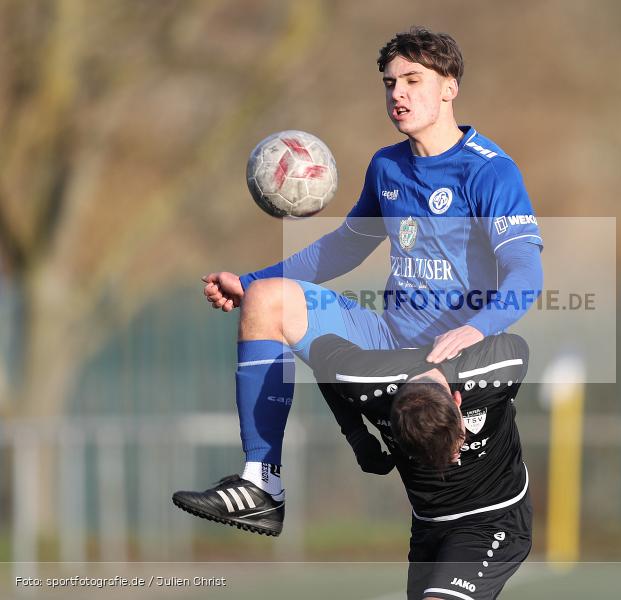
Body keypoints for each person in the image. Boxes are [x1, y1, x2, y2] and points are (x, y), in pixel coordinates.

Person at [172, 27, 543, 535]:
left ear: (450, 86)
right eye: (390, 83)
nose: (399, 94)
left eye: (414, 80)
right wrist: (251, 280)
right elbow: (345, 244)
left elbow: (527, 271)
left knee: (459, 512)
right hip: (385, 340)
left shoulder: (491, 173)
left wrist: (475, 331)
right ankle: (262, 485)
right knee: (266, 301)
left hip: (447, 360)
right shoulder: (387, 166)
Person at [318, 332, 532, 600]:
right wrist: (357, 436)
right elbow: (320, 352)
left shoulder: (496, 370)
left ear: (457, 400)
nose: (455, 457)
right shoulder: (364, 384)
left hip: (493, 518)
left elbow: (518, 341)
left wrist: (473, 333)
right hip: (427, 526)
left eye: (458, 439)